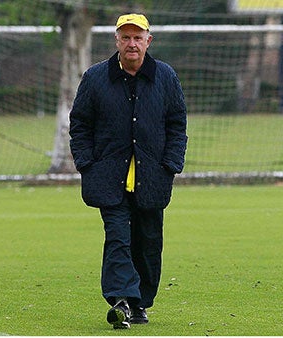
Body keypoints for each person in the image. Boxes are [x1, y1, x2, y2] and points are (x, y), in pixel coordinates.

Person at [68, 13, 188, 329]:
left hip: (152, 177)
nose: (131, 43)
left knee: (148, 243)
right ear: (116, 41)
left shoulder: (165, 77)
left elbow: (177, 125)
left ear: (148, 41)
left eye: (138, 37)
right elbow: (79, 123)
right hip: (108, 177)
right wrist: (86, 163)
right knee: (118, 238)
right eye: (126, 37)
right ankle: (120, 300)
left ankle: (139, 303)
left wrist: (171, 165)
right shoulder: (95, 78)